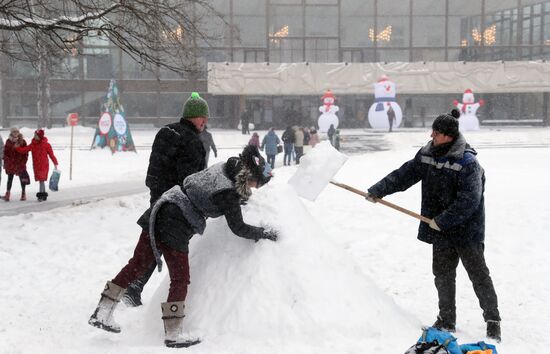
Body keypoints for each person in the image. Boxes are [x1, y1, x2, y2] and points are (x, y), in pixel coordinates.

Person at [88, 145, 279, 348]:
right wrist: (263, 233)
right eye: (257, 184)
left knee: (137, 264)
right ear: (250, 175)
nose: (255, 188)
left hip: (161, 209)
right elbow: (238, 228)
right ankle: (173, 334)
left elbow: (211, 191)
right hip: (176, 224)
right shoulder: (229, 193)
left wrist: (235, 201)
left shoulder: (227, 167)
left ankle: (102, 310)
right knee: (180, 278)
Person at [365, 109, 501, 342]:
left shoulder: (467, 163)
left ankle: (493, 320)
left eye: (436, 133)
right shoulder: (427, 154)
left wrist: (443, 220)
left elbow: (469, 200)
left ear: (448, 136)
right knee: (443, 275)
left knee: (478, 275)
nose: (432, 136)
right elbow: (404, 175)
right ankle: (446, 319)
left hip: (467, 231)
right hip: (441, 230)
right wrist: (379, 190)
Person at [124, 92, 209, 307]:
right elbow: (192, 180)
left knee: (152, 239)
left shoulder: (165, 131)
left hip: (157, 192)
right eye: (203, 117)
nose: (205, 122)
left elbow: (157, 164)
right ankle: (138, 289)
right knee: (166, 246)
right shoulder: (192, 142)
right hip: (175, 201)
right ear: (194, 116)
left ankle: (133, 285)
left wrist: (156, 189)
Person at [15, 129, 58, 202]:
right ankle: (43, 195)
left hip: (44, 165)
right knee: (41, 180)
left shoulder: (46, 145)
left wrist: (55, 162)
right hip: (36, 165)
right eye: (34, 135)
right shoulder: (33, 144)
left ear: (40, 136)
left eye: (36, 135)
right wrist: (17, 148)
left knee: (41, 179)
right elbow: (24, 150)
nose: (34, 136)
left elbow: (51, 155)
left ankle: (41, 196)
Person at [2, 128, 29, 201]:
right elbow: (5, 152)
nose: (16, 133)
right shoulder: (8, 141)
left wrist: (23, 161)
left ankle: (23, 193)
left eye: (17, 131)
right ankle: (8, 193)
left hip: (20, 163)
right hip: (11, 163)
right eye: (14, 132)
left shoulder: (22, 141)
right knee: (10, 178)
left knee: (22, 179)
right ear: (11, 133)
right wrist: (7, 160)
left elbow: (26, 153)